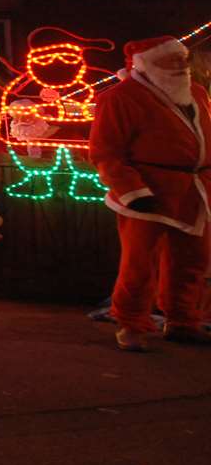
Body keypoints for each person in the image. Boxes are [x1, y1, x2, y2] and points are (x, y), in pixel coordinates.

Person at [90, 36, 211, 351]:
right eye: (170, 60)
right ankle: (131, 323)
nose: (180, 66)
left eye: (181, 59)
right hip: (147, 192)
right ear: (146, 64)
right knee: (139, 263)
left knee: (192, 259)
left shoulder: (196, 94)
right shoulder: (120, 98)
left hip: (192, 191)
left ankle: (183, 320)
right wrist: (132, 191)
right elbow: (106, 152)